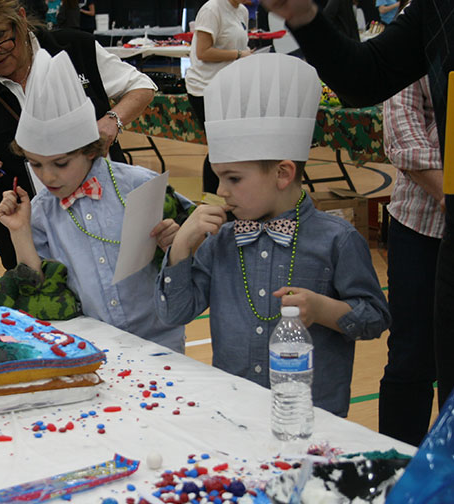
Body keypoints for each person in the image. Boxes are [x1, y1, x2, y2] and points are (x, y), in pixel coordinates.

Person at [155, 54, 390, 417]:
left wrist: (325, 310)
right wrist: (181, 248)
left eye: (233, 178)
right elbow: (176, 312)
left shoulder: (337, 240)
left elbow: (374, 317)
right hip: (235, 409)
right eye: (219, 177)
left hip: (312, 415)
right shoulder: (221, 241)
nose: (221, 190)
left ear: (282, 173)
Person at [262, 0, 453, 413]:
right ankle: (406, 471)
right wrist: (305, 17)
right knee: (416, 361)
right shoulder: (435, 10)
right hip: (429, 226)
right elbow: (366, 78)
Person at [0, 49, 190, 351]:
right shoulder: (42, 213)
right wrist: (19, 232)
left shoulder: (140, 185)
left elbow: (198, 245)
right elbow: (43, 295)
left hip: (159, 341)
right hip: (92, 346)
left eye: (60, 164)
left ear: (89, 149)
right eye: (36, 164)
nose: (47, 177)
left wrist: (177, 242)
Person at [0, 0, 156, 270]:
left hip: (108, 221)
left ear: (19, 18)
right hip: (27, 239)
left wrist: (113, 120)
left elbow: (142, 86)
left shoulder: (75, 48)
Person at [379, 75, 443, 446]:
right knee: (410, 360)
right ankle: (397, 473)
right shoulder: (422, 23)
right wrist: (447, 194)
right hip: (421, 227)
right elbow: (404, 134)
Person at [185, 0, 252, 195]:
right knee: (219, 147)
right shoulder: (212, 9)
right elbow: (203, 52)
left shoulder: (242, 11)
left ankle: (231, 199)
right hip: (205, 89)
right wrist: (239, 55)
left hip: (230, 88)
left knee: (231, 147)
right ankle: (211, 202)